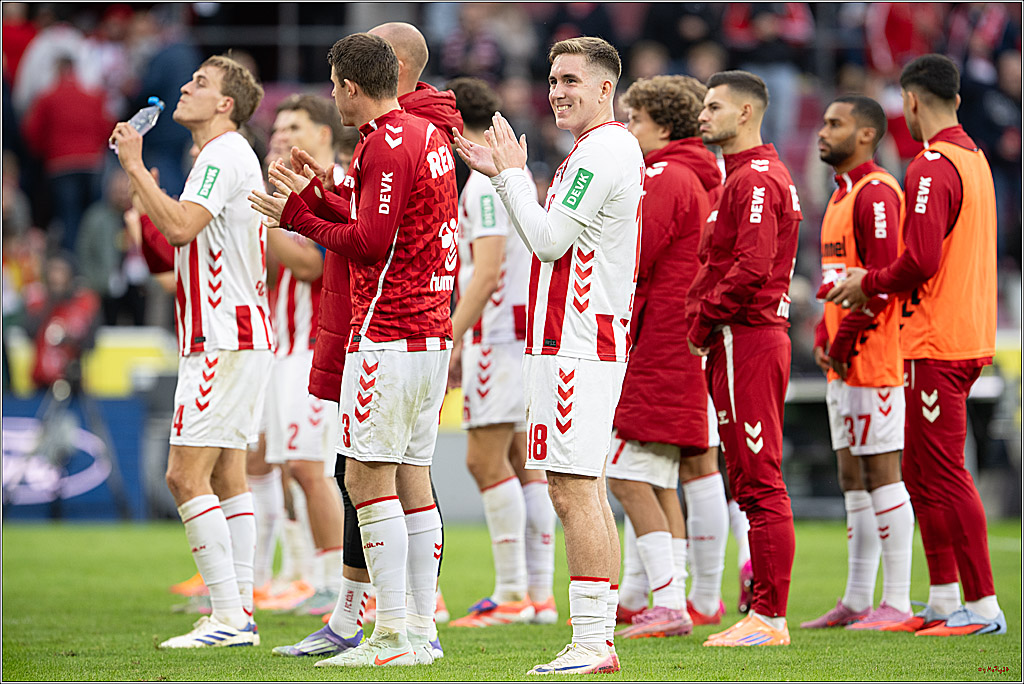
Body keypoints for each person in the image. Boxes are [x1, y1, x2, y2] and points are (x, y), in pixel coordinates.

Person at [249, 32, 458, 667]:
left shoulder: (386, 143)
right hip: (428, 333)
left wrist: (297, 219)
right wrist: (316, 194)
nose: (333, 96)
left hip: (390, 330)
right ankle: (419, 630)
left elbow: (368, 242)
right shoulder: (420, 136)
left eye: (335, 85)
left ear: (349, 85)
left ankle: (391, 633)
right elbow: (384, 221)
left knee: (366, 476)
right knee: (411, 478)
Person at [455, 35, 643, 675]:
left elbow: (548, 241)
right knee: (578, 485)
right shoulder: (589, 151)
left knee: (571, 488)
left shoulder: (604, 149)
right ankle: (594, 639)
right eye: (553, 80)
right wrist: (504, 176)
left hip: (580, 342)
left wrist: (506, 176)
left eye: (571, 81)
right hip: (567, 341)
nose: (557, 91)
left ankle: (593, 644)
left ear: (604, 89)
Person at [827, 54, 1006, 636]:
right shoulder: (974, 158)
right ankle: (942, 599)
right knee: (924, 475)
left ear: (908, 102)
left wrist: (868, 281)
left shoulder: (931, 166)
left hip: (937, 338)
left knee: (945, 473)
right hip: (964, 331)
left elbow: (922, 259)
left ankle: (982, 607)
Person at [110, 54, 271, 648]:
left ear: (225, 105)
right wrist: (141, 181)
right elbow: (185, 256)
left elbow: (179, 227)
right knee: (227, 475)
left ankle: (229, 618)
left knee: (183, 475)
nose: (184, 87)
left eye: (200, 83)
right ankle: (238, 612)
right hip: (236, 334)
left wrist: (133, 165)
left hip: (223, 339)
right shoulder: (223, 157)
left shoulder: (221, 154)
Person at [686, 70, 802, 647]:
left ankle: (770, 617)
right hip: (739, 341)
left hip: (746, 338)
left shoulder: (754, 179)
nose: (702, 116)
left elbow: (752, 266)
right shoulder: (739, 179)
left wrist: (704, 322)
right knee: (747, 478)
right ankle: (762, 612)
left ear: (747, 114)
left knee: (759, 480)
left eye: (713, 107)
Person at [608, 74, 726, 640]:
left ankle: (670, 602)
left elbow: (634, 254)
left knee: (628, 476)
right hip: (677, 337)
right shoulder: (695, 174)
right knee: (656, 477)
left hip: (657, 341)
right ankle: (668, 597)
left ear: (661, 126)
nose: (627, 129)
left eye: (634, 119)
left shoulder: (665, 176)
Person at [444, 76, 557, 629]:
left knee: (483, 462)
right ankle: (536, 596)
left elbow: (486, 271)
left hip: (499, 339)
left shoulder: (481, 186)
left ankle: (513, 592)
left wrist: (450, 337)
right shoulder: (505, 177)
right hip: (518, 333)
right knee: (523, 465)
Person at [801, 95, 914, 631]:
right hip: (841, 356)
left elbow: (884, 281)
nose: (823, 132)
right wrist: (824, 336)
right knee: (852, 471)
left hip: (874, 355)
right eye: (823, 122)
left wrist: (844, 341)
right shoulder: (842, 193)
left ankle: (897, 601)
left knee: (881, 470)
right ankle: (856, 599)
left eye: (835, 124)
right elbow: (835, 280)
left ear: (867, 134)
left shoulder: (876, 194)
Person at [258, 94, 346, 619]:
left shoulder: (322, 192)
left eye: (295, 125)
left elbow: (312, 265)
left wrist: (268, 223)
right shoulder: (289, 194)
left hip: (314, 347)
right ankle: (306, 573)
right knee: (289, 468)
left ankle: (334, 580)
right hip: (283, 345)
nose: (281, 133)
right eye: (278, 125)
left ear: (322, 134)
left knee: (310, 467)